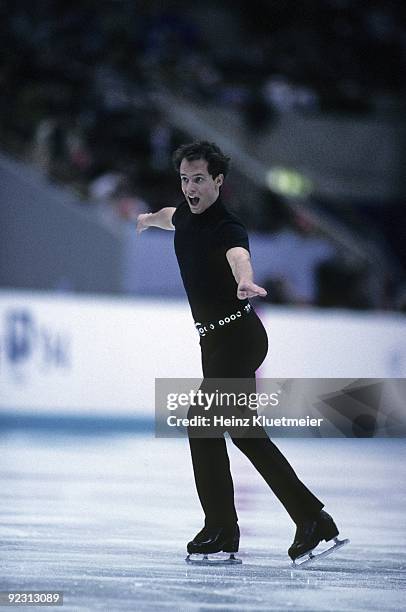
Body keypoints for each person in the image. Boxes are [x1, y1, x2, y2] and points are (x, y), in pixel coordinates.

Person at [136, 141, 341, 563]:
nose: (190, 188)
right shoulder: (183, 215)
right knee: (244, 432)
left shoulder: (227, 226)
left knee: (200, 423)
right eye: (184, 179)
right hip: (215, 342)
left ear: (218, 180)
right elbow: (167, 217)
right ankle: (311, 519)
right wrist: (145, 219)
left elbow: (238, 255)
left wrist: (245, 280)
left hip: (238, 336)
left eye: (198, 180)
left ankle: (220, 528)